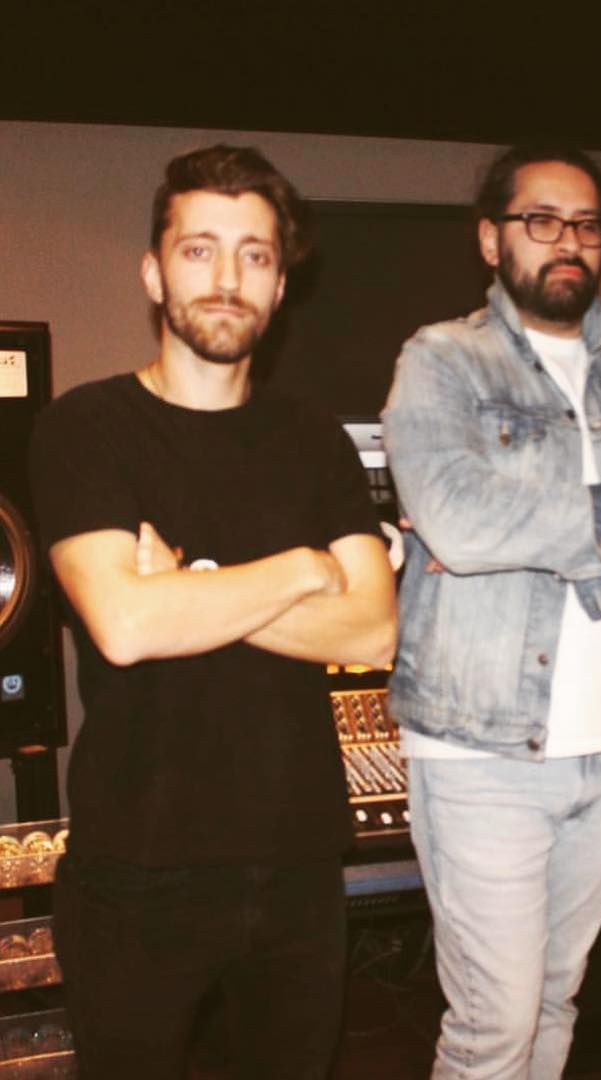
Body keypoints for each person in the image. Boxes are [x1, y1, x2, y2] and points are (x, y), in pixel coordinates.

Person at [29, 144, 397, 1078]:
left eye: (255, 255)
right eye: (199, 250)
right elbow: (126, 627)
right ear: (154, 275)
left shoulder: (313, 440)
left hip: (298, 865)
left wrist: (188, 581)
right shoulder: (86, 426)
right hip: (137, 870)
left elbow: (374, 629)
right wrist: (305, 567)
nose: (227, 278)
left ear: (280, 287)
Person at [382, 142, 601, 1079]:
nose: (567, 240)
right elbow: (460, 522)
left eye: (586, 224)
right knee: (492, 1028)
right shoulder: (441, 360)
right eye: (541, 220)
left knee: (555, 1001)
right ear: (491, 239)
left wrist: (531, 531)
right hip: (481, 748)